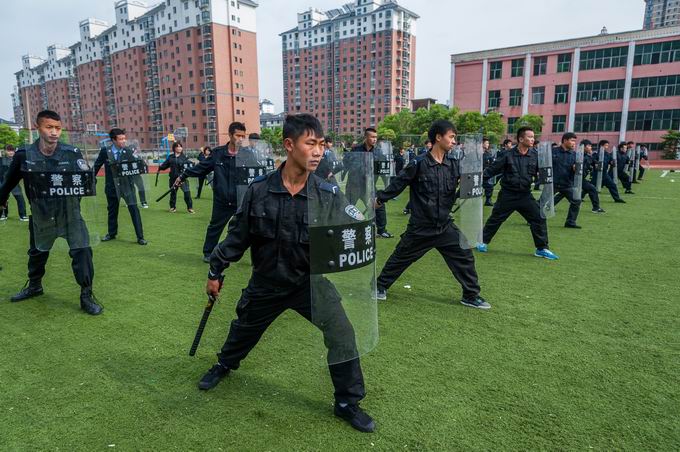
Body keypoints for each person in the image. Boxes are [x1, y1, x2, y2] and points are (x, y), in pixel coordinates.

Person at [197, 113, 375, 433]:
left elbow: (353, 226)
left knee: (343, 334)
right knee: (243, 331)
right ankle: (224, 364)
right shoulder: (258, 191)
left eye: (322, 145)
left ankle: (347, 402)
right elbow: (237, 238)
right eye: (311, 144)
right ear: (289, 145)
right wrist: (216, 271)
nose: (319, 152)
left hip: (309, 283)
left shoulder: (327, 193)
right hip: (267, 283)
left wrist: (364, 224)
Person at [373, 120, 490, 309]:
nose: (454, 141)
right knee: (401, 257)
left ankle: (470, 295)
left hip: (444, 225)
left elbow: (466, 186)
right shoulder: (418, 163)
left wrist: (474, 182)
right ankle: (379, 286)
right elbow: (399, 183)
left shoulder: (453, 165)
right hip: (421, 227)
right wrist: (380, 200)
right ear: (438, 137)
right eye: (451, 137)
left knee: (464, 255)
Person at [0, 110, 102, 314]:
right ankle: (34, 286)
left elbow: (87, 182)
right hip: (42, 216)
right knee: (37, 253)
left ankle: (86, 295)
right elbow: (9, 182)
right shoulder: (24, 155)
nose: (54, 132)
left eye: (58, 128)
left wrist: (85, 181)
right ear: (38, 127)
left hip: (70, 215)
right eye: (49, 127)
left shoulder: (71, 152)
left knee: (82, 251)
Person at [476, 127, 559, 260]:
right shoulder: (507, 155)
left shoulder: (535, 155)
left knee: (539, 218)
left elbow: (544, 173)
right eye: (529, 137)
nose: (532, 139)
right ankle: (482, 242)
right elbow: (492, 170)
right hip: (507, 194)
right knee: (496, 218)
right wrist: (476, 181)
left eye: (533, 137)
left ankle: (542, 248)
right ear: (521, 139)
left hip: (525, 195)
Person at [174, 122, 247, 263]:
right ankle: (208, 253)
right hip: (222, 200)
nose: (241, 139)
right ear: (230, 135)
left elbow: (256, 174)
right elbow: (201, 168)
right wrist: (183, 176)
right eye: (238, 135)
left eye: (243, 136)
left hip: (242, 200)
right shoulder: (218, 153)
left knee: (248, 229)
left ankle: (251, 256)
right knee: (215, 227)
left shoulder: (247, 154)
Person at [93, 128, 147, 245]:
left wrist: (142, 163)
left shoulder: (128, 151)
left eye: (124, 138)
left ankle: (140, 237)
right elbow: (97, 166)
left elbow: (138, 166)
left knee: (134, 210)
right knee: (112, 211)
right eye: (121, 139)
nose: (123, 141)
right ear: (113, 140)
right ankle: (111, 233)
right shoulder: (105, 151)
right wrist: (91, 178)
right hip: (112, 187)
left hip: (127, 187)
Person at [347, 128, 393, 238]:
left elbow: (382, 168)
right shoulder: (355, 150)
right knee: (348, 207)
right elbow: (348, 164)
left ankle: (381, 230)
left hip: (369, 185)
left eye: (376, 137)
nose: (374, 139)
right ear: (366, 137)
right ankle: (344, 228)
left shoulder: (378, 151)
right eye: (372, 137)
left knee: (379, 205)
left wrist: (386, 184)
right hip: (354, 185)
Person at [552, 133, 582, 229]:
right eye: (572, 140)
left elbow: (579, 171)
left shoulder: (574, 155)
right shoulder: (553, 151)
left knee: (576, 200)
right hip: (553, 183)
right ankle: (533, 219)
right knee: (543, 202)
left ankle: (570, 222)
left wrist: (575, 169)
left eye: (575, 141)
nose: (574, 143)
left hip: (567, 184)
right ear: (565, 140)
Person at [159, 142, 194, 213]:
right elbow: (165, 165)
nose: (180, 148)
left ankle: (190, 208)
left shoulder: (184, 157)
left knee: (187, 193)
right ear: (174, 148)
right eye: (178, 147)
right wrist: (160, 167)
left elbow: (189, 166)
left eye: (180, 146)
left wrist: (193, 165)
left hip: (182, 178)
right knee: (173, 193)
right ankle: (172, 207)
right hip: (173, 178)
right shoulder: (171, 157)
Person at [0, 145, 28, 221]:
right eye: (9, 151)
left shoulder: (18, 159)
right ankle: (3, 215)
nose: (11, 152)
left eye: (12, 150)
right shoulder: (1, 160)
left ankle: (23, 216)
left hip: (14, 183)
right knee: (3, 198)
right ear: (5, 151)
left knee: (20, 198)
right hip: (4, 182)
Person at [580, 140, 605, 213]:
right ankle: (550, 205)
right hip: (572, 178)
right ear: (583, 147)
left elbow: (595, 163)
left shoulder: (589, 156)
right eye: (589, 146)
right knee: (563, 192)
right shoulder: (577, 155)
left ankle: (596, 208)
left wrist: (597, 165)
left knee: (592, 189)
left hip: (582, 179)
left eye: (591, 146)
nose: (590, 147)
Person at [482, 137, 496, 206]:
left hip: (484, 174)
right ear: (482, 144)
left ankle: (488, 200)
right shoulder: (476, 153)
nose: (488, 144)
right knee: (465, 188)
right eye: (486, 143)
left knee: (489, 186)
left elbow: (491, 162)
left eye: (488, 143)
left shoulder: (488, 153)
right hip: (475, 174)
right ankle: (454, 197)